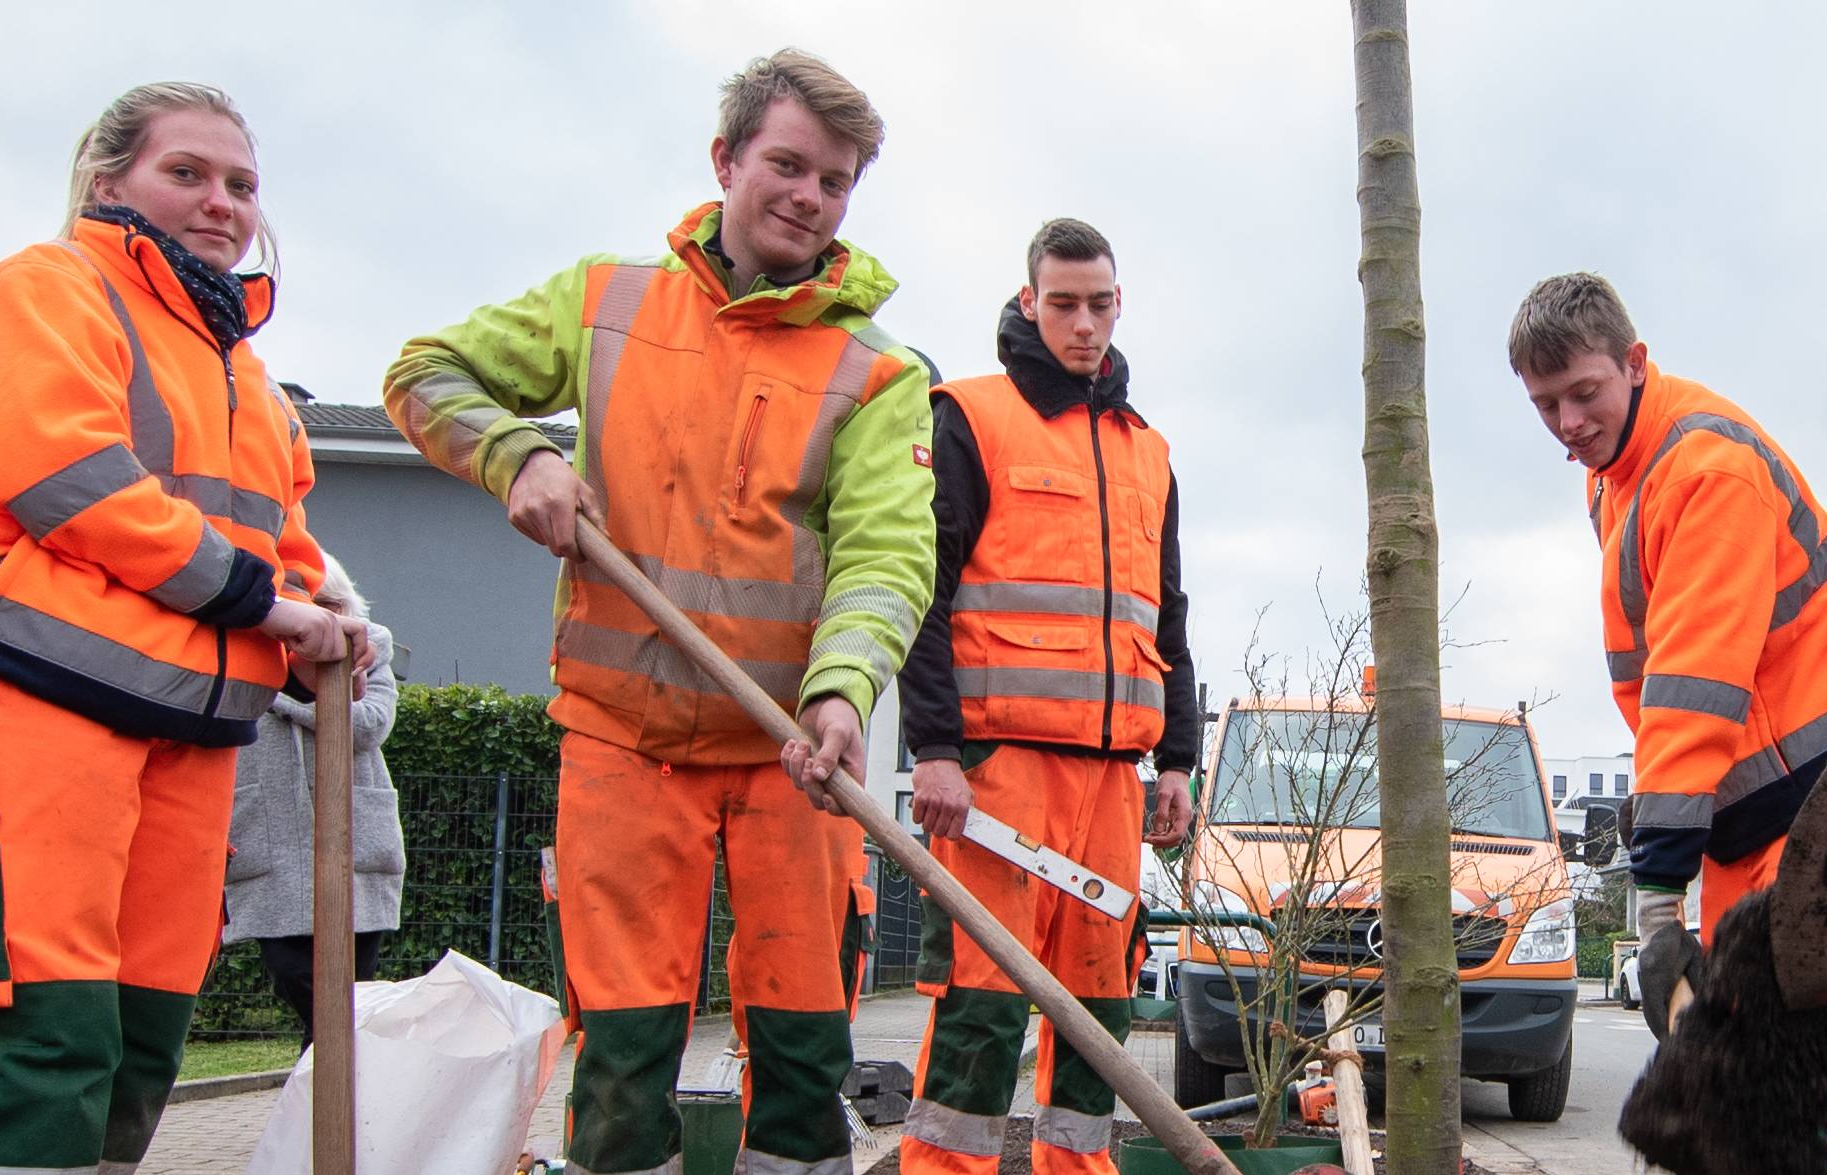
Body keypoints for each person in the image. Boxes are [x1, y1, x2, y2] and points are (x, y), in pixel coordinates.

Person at [383, 48, 935, 1175]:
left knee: (805, 1041)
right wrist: (517, 455)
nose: (809, 196)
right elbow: (424, 374)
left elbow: (885, 554)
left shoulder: (877, 373)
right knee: (624, 1043)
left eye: (834, 182)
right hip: (621, 739)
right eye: (787, 165)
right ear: (726, 159)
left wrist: (842, 689)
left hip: (790, 752)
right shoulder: (607, 303)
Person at [0, 82, 366, 1172]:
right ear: (109, 181)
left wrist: (326, 616)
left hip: (187, 735)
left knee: (140, 1035)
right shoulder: (48, 288)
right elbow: (66, 474)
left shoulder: (246, 373)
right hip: (30, 703)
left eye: (241, 184)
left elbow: (281, 537)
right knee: (34, 1028)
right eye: (186, 173)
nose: (221, 203)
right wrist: (260, 602)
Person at [1511, 272, 1827, 1172]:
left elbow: (1692, 688)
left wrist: (1655, 899)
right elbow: (1661, 691)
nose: (1568, 423)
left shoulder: (1705, 471)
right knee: (1754, 1098)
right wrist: (1672, 821)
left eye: (1584, 393)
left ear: (1635, 363)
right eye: (1545, 404)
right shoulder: (1616, 475)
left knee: (1792, 1096)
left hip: (1815, 820)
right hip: (1748, 822)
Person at [887, 219, 1197, 1175]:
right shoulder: (970, 417)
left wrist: (1178, 760)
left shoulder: (1150, 452)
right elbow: (922, 593)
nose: (1083, 324)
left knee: (1099, 1007)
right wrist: (935, 750)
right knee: (981, 1001)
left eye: (1099, 304)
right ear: (1030, 302)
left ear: (1119, 304)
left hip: (1110, 783)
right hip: (999, 774)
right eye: (1063, 304)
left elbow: (1168, 614)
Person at [223, 555, 405, 1052]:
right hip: (271, 841)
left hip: (356, 842)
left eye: (330, 605)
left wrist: (281, 694)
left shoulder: (372, 645)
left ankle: (330, 1094)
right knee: (293, 973)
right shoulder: (248, 649)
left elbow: (369, 724)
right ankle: (328, 1088)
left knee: (348, 992)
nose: (320, 617)